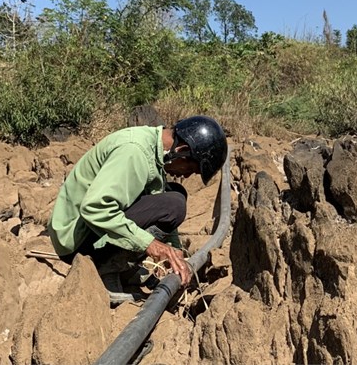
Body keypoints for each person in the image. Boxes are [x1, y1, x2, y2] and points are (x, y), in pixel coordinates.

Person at [48, 115, 228, 299]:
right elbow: (95, 208)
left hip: (87, 234)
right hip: (75, 241)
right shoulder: (134, 152)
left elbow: (154, 197)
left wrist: (174, 249)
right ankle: (105, 271)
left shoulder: (153, 148)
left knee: (175, 193)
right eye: (190, 169)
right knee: (174, 205)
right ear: (181, 151)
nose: (187, 176)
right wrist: (151, 245)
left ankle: (119, 267)